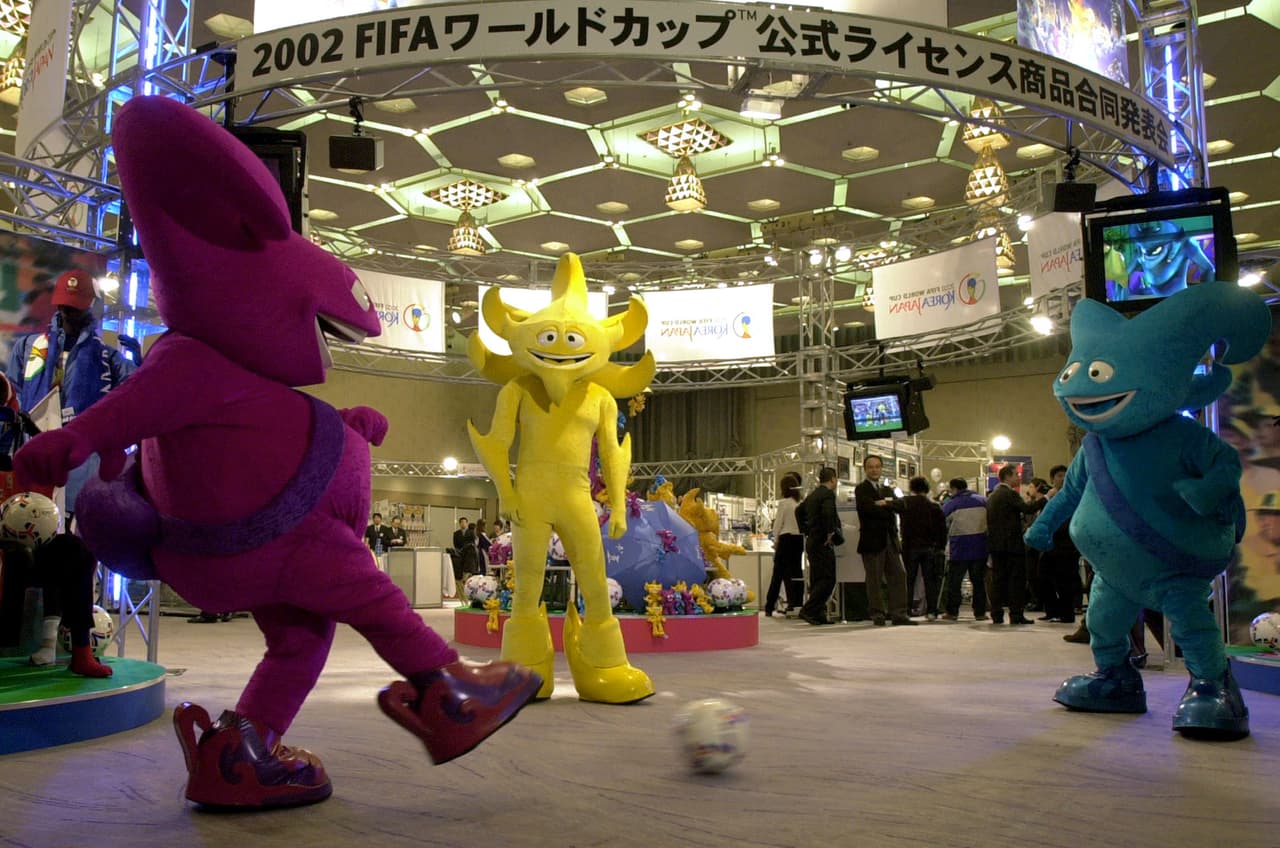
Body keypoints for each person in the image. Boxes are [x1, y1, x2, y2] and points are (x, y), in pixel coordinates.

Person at [3, 269, 134, 523]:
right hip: (34, 457)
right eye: (64, 305)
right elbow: (13, 397)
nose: (67, 313)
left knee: (73, 542)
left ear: (91, 306)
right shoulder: (29, 348)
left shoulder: (107, 358)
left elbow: (135, 396)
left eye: (75, 307)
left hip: (81, 468)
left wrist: (143, 363)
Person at [854, 455, 915, 626]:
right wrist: (886, 507)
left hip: (891, 540)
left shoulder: (887, 490)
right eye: (871, 467)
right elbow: (867, 509)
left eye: (877, 466)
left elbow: (901, 506)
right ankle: (878, 614)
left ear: (881, 468)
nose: (874, 469)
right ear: (865, 469)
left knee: (899, 575)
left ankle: (899, 614)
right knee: (874, 579)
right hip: (872, 541)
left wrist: (884, 504)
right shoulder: (862, 489)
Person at [986, 464, 1046, 625]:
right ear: (1007, 477)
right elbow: (1027, 509)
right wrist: (1045, 499)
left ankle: (996, 614)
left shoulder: (992, 496)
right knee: (1016, 580)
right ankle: (1016, 614)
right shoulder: (1009, 494)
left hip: (996, 545)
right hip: (1012, 545)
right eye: (1016, 475)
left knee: (998, 580)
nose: (1019, 478)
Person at [798, 467, 842, 626]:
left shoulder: (812, 495)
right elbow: (828, 513)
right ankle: (809, 610)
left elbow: (799, 511)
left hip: (812, 540)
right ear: (833, 479)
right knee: (828, 579)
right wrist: (830, 532)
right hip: (823, 541)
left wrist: (805, 530)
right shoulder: (828, 494)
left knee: (817, 578)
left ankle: (818, 613)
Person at [1037, 465, 1081, 623]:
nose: (1062, 478)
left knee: (1065, 580)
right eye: (1059, 476)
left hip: (1067, 544)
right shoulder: (1050, 497)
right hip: (1050, 544)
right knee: (1043, 577)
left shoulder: (1073, 496)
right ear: (1052, 479)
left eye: (1065, 475)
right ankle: (1052, 610)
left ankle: (1067, 614)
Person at [941, 478, 989, 621]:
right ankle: (980, 613)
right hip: (980, 547)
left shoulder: (951, 504)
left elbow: (941, 521)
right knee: (978, 582)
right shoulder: (983, 501)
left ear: (954, 489)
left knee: (955, 583)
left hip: (959, 549)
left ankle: (952, 612)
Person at [900, 475, 946, 620]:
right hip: (929, 547)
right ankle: (931, 610)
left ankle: (906, 609)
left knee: (909, 580)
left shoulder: (906, 502)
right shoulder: (934, 506)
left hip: (910, 546)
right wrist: (940, 546)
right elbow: (942, 529)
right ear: (926, 488)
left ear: (911, 488)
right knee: (930, 580)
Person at [764, 471, 805, 617]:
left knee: (778, 573)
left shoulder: (784, 504)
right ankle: (796, 603)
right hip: (798, 540)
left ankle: (769, 606)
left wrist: (775, 540)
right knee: (796, 573)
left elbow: (778, 525)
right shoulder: (799, 504)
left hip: (786, 540)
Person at [451, 517, 472, 599]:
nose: (463, 524)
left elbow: (472, 543)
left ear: (467, 523)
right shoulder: (456, 533)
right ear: (459, 524)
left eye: (464, 522)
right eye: (461, 522)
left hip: (468, 555)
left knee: (467, 573)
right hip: (459, 555)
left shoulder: (470, 533)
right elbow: (455, 544)